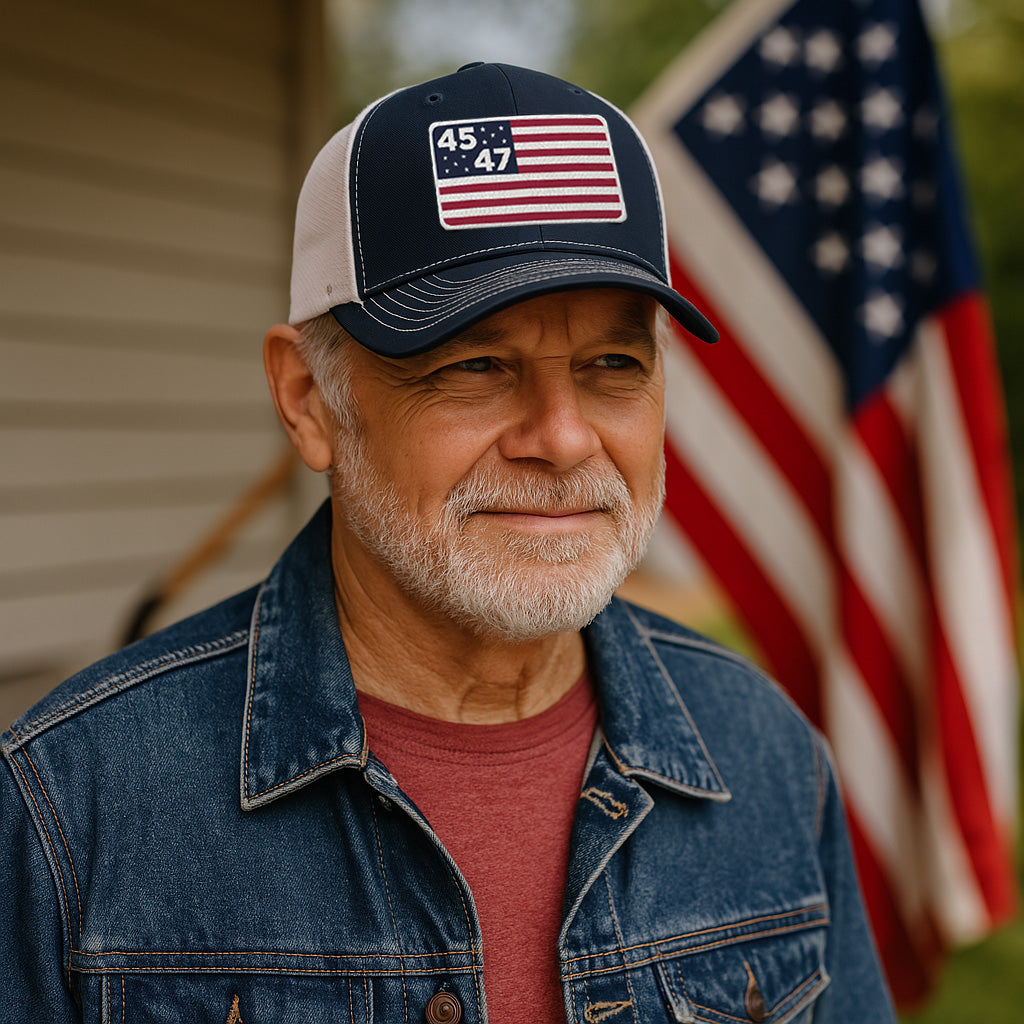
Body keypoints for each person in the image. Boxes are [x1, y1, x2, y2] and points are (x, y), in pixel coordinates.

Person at [1, 63, 897, 1022]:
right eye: (475, 365)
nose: (560, 436)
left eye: (612, 364)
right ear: (309, 401)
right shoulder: (73, 808)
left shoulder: (764, 757)